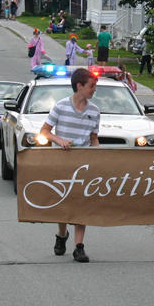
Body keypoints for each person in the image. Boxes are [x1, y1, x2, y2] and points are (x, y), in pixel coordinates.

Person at [39, 68, 101, 263]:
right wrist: (60, 140)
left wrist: (98, 156)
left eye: (95, 86)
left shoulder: (94, 111)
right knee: (64, 201)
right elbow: (45, 131)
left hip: (83, 163)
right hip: (63, 162)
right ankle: (61, 234)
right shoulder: (60, 107)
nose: (94, 90)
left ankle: (79, 247)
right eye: (92, 86)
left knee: (81, 203)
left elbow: (94, 139)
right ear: (79, 86)